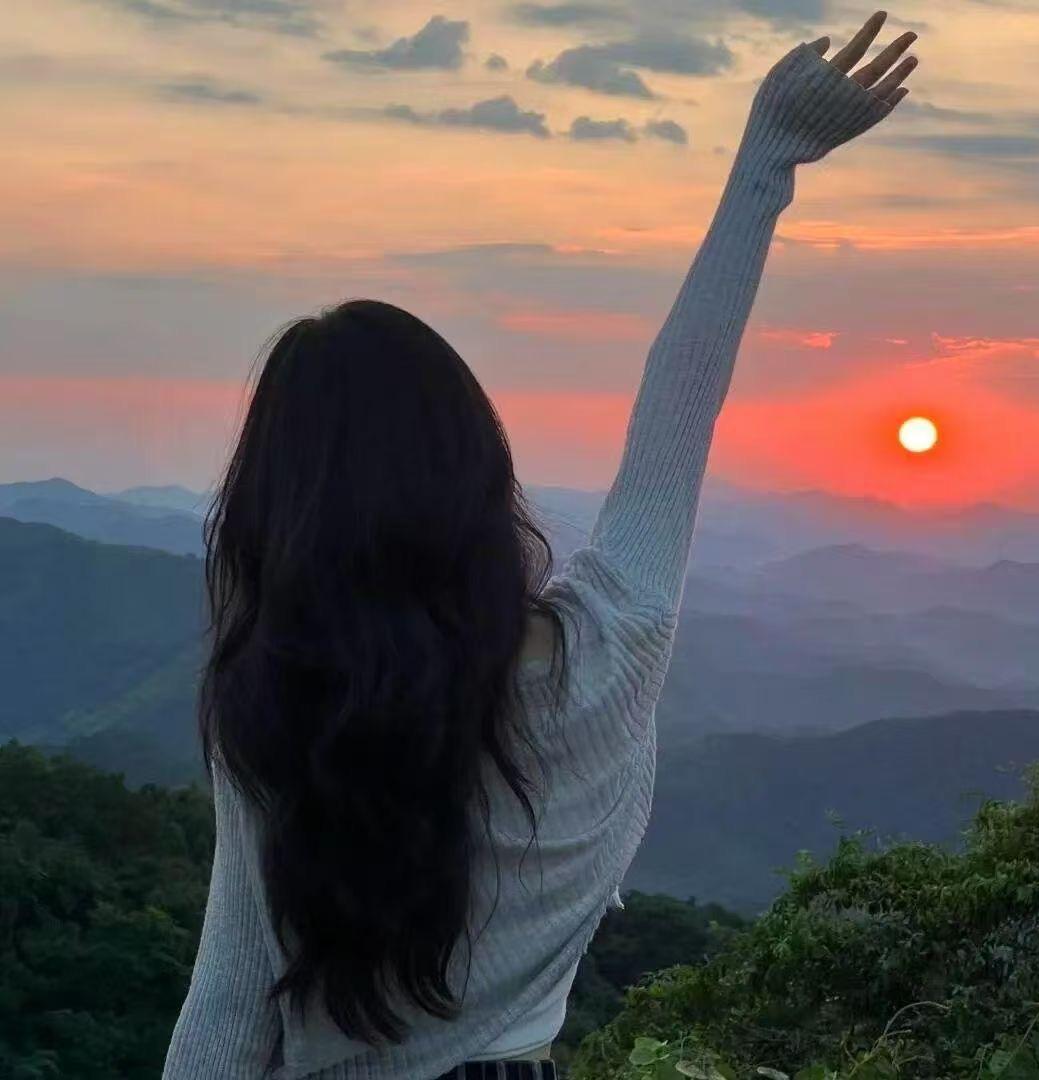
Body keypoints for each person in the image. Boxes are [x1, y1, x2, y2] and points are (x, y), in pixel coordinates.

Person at [162, 10, 919, 1079]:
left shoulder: (278, 710)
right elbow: (677, 413)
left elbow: (229, 1011)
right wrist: (767, 160)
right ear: (478, 471)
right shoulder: (610, 650)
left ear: (275, 513)